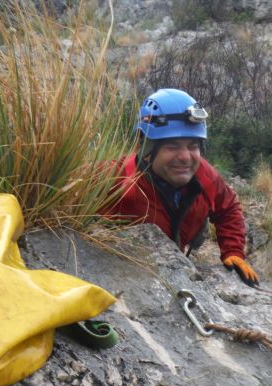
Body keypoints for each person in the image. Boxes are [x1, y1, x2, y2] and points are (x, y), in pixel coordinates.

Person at [106, 88, 259, 287]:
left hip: (175, 271)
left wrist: (233, 250)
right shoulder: (116, 180)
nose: (186, 157)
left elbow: (228, 208)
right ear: (146, 148)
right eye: (172, 146)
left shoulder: (204, 175)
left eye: (193, 146)